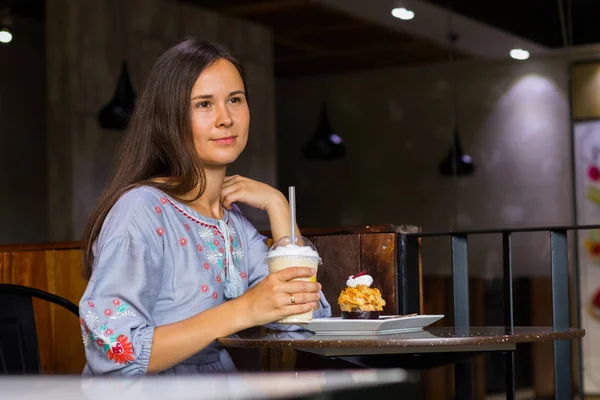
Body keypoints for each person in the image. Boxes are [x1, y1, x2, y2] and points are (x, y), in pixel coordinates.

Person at [78, 38, 331, 376]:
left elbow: (304, 319)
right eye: (203, 104)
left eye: (235, 100)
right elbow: (114, 353)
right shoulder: (141, 210)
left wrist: (278, 206)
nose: (225, 119)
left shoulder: (233, 224)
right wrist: (243, 311)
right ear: (170, 117)